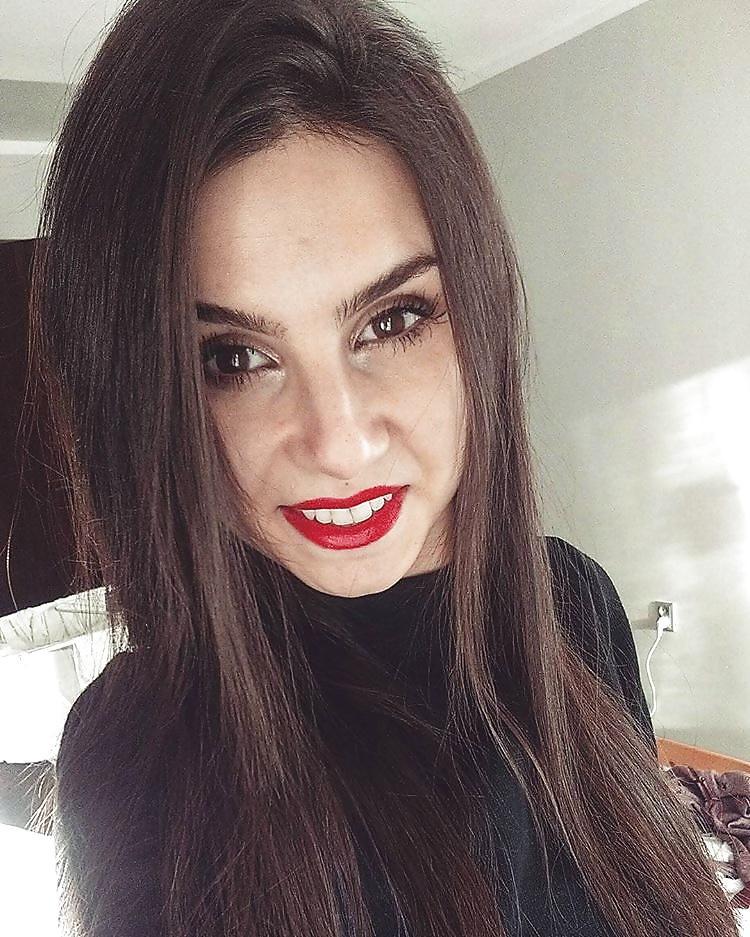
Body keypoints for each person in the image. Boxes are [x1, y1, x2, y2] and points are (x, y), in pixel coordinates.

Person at [24, 1, 739, 936]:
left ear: (476, 313)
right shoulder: (141, 755)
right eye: (232, 358)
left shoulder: (572, 601)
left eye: (392, 319)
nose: (340, 441)